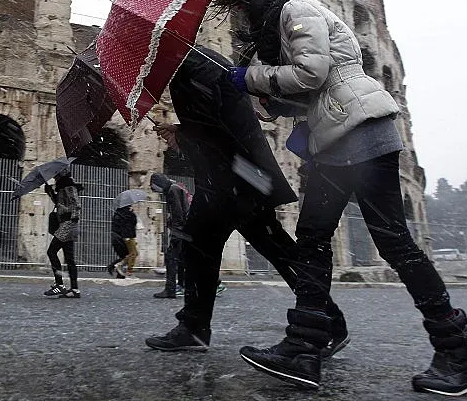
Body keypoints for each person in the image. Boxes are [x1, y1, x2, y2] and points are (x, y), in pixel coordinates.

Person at [219, 0, 467, 395]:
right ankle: (306, 347)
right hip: (346, 131)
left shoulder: (296, 10)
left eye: (244, 5)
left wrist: (253, 77)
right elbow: (313, 88)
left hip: (355, 132)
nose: (243, 17)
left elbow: (312, 72)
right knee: (330, 239)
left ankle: (455, 355)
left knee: (380, 242)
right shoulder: (288, 20)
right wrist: (270, 94)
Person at [145, 46, 348, 356]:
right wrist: (181, 131)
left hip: (237, 177)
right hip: (234, 176)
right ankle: (194, 327)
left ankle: (329, 322)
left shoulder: (196, 70)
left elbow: (217, 130)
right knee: (202, 247)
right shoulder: (199, 64)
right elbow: (214, 125)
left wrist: (182, 136)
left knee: (276, 251)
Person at [43, 170, 82, 298]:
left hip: (68, 224)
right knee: (69, 258)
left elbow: (76, 205)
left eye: (55, 175)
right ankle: (75, 290)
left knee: (51, 252)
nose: (54, 177)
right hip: (67, 224)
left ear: (60, 175)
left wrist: (68, 216)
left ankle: (59, 285)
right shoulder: (62, 187)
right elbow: (60, 203)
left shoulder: (68, 186)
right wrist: (50, 193)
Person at [150, 173, 189, 298]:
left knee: (171, 259)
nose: (156, 190)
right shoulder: (174, 188)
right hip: (185, 230)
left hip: (180, 232)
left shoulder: (173, 190)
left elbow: (178, 214)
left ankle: (170, 289)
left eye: (155, 187)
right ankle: (182, 286)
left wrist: (175, 234)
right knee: (183, 260)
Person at [106, 202, 137, 279]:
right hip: (127, 236)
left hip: (117, 237)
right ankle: (126, 271)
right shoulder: (128, 214)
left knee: (126, 255)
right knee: (133, 254)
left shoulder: (117, 214)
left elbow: (117, 226)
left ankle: (119, 272)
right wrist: (132, 213)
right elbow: (133, 223)